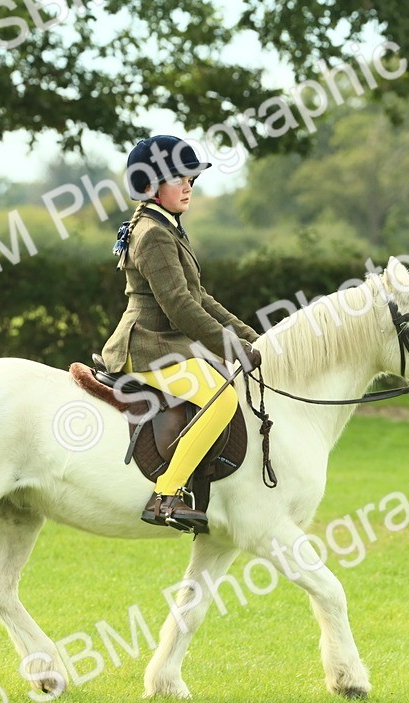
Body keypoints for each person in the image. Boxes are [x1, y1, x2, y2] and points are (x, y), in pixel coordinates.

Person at [101, 135, 261, 535]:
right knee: (221, 398)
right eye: (178, 179)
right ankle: (166, 495)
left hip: (165, 345)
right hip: (147, 346)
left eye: (191, 178)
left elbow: (199, 297)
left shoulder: (164, 226)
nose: (189, 186)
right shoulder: (153, 234)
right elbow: (179, 306)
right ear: (150, 186)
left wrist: (252, 338)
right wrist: (232, 347)